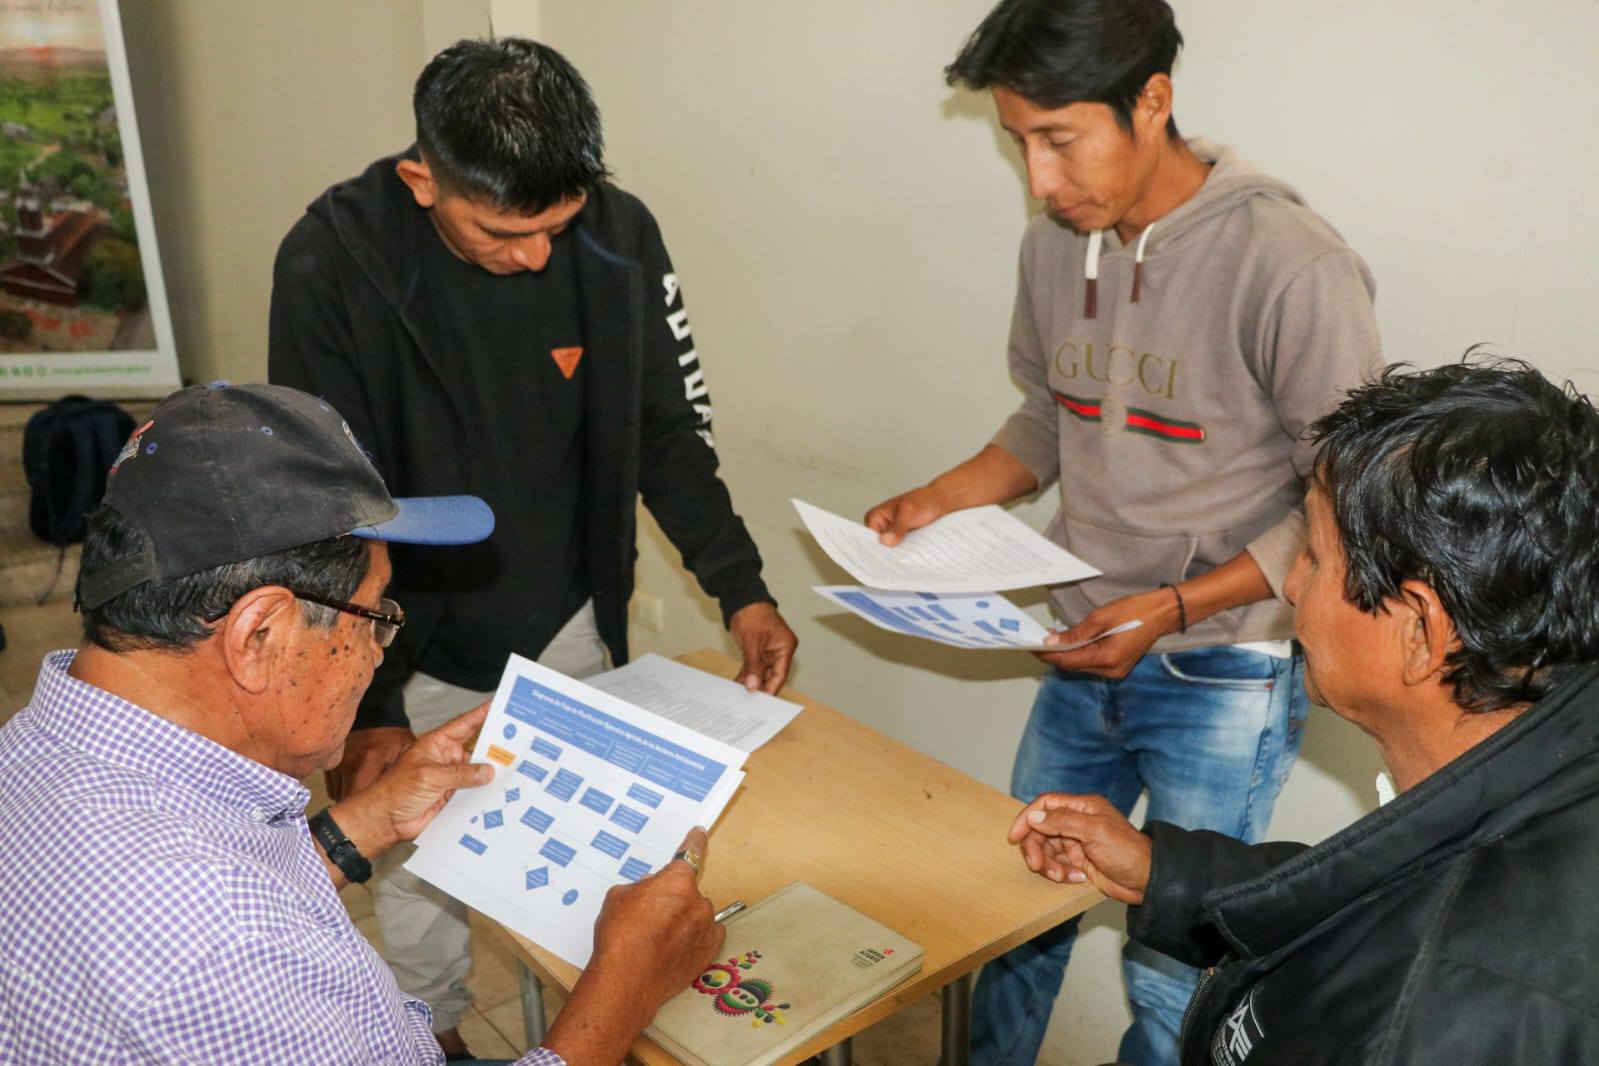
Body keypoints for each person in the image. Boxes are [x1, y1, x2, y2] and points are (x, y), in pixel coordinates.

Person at [865, 2, 1384, 1061]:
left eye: (1060, 140)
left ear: (1152, 101)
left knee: (1171, 970)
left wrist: (1175, 606)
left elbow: (1346, 499)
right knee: (1014, 904)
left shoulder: (1290, 263)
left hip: (1222, 671)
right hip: (1080, 645)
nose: (1039, 179)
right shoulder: (1055, 246)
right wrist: (941, 498)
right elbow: (1050, 416)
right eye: (1019, 142)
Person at [268, 38, 796, 1052]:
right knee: (419, 884)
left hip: (566, 617)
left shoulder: (621, 236)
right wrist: (367, 705)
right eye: (504, 233)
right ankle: (436, 1036)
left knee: (588, 869)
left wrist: (742, 586)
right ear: (424, 181)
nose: (537, 257)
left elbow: (667, 431)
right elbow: (329, 496)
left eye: (558, 226)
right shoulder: (330, 259)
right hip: (408, 636)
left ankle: (585, 1033)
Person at [0, 382, 726, 1065]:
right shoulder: (223, 943)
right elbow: (224, 922)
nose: (380, 654)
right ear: (260, 636)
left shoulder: (43, 752)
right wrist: (624, 984)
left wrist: (362, 825)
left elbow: (236, 880)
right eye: (376, 617)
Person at [1010, 359, 1599, 1064]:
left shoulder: (1428, 1024)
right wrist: (1162, 872)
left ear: (1420, 632)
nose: (1291, 587)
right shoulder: (1547, 773)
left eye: (1314, 559)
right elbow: (1368, 898)